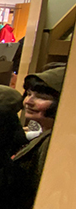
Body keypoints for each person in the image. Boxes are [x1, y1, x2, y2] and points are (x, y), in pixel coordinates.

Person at [13, 66, 65, 198]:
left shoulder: (55, 144)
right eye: (29, 94)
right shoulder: (45, 134)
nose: (28, 102)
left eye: (41, 97)